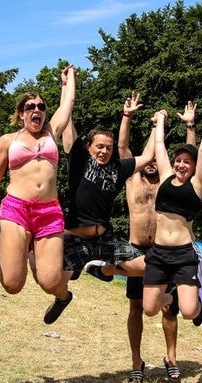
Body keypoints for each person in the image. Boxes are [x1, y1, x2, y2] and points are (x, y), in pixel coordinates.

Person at [0, 65, 76, 324]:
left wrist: (67, 81)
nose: (37, 110)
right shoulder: (8, 141)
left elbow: (69, 104)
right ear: (21, 114)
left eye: (41, 107)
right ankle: (8, 258)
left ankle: (63, 297)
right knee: (12, 284)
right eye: (30, 107)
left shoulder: (51, 132)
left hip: (49, 211)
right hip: (16, 209)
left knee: (50, 281)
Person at [121, 99, 197, 383]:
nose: (153, 163)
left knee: (170, 308)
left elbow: (191, 159)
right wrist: (127, 117)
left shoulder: (170, 184)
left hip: (167, 250)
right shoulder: (133, 180)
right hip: (138, 248)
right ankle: (136, 360)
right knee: (137, 307)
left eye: (157, 159)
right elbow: (123, 149)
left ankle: (171, 357)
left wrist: (190, 125)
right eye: (148, 160)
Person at [141, 100, 202, 378]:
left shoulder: (196, 185)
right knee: (149, 309)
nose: (182, 164)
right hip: (159, 254)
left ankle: (195, 309)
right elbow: (158, 147)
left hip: (184, 253)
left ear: (194, 167)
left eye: (187, 161)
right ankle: (170, 294)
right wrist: (159, 121)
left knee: (187, 310)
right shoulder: (164, 177)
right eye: (179, 160)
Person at [59, 93, 154, 287]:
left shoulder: (118, 168)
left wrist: (156, 125)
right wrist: (66, 88)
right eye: (99, 147)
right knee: (55, 281)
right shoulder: (79, 161)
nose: (104, 151)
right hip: (75, 239)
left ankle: (102, 270)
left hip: (104, 240)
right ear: (88, 147)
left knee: (146, 267)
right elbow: (66, 124)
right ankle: (63, 296)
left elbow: (148, 156)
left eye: (108, 148)